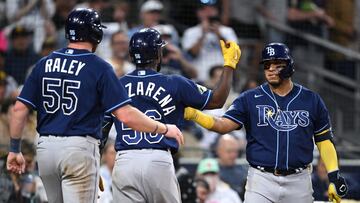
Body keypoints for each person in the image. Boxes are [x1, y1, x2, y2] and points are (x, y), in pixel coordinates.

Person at [6, 8, 183, 203]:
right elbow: (126, 115)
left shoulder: (43, 63)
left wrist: (14, 149)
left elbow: (19, 109)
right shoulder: (99, 66)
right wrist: (163, 128)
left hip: (46, 150)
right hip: (78, 148)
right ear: (95, 34)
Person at [184, 42, 348, 203]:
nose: (270, 69)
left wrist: (333, 176)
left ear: (289, 65)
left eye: (277, 64)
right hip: (261, 179)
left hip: (299, 180)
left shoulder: (311, 99)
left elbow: (324, 140)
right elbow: (222, 125)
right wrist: (195, 114)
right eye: (267, 65)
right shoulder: (249, 98)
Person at [109, 28, 241, 203]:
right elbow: (217, 101)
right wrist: (229, 66)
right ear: (158, 54)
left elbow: (101, 127)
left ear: (132, 55)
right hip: (158, 159)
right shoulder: (174, 82)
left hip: (124, 161)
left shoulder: (116, 84)